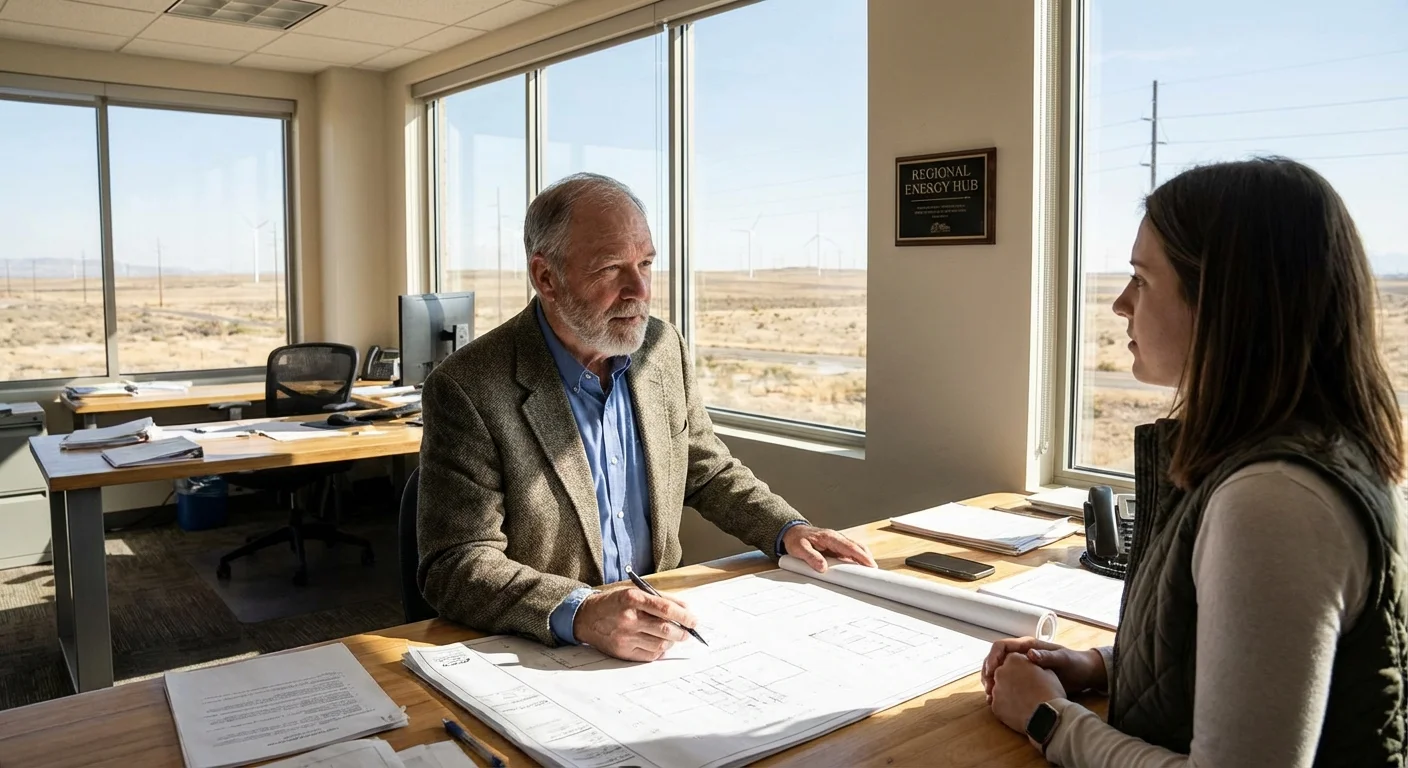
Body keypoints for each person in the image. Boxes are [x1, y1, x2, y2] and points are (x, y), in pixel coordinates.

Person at [984, 157, 1408, 766]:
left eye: (1142, 279)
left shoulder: (1276, 500)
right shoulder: (1301, 453)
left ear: (1224, 301)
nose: (1121, 305)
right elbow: (1263, 663)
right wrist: (1103, 665)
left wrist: (1049, 719)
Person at [416, 172, 875, 663]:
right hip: (545, 650)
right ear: (546, 277)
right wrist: (582, 609)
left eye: (646, 263)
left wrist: (787, 530)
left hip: (660, 634)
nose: (640, 288)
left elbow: (707, 469)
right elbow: (455, 563)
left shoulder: (660, 347)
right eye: (611, 268)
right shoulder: (469, 386)